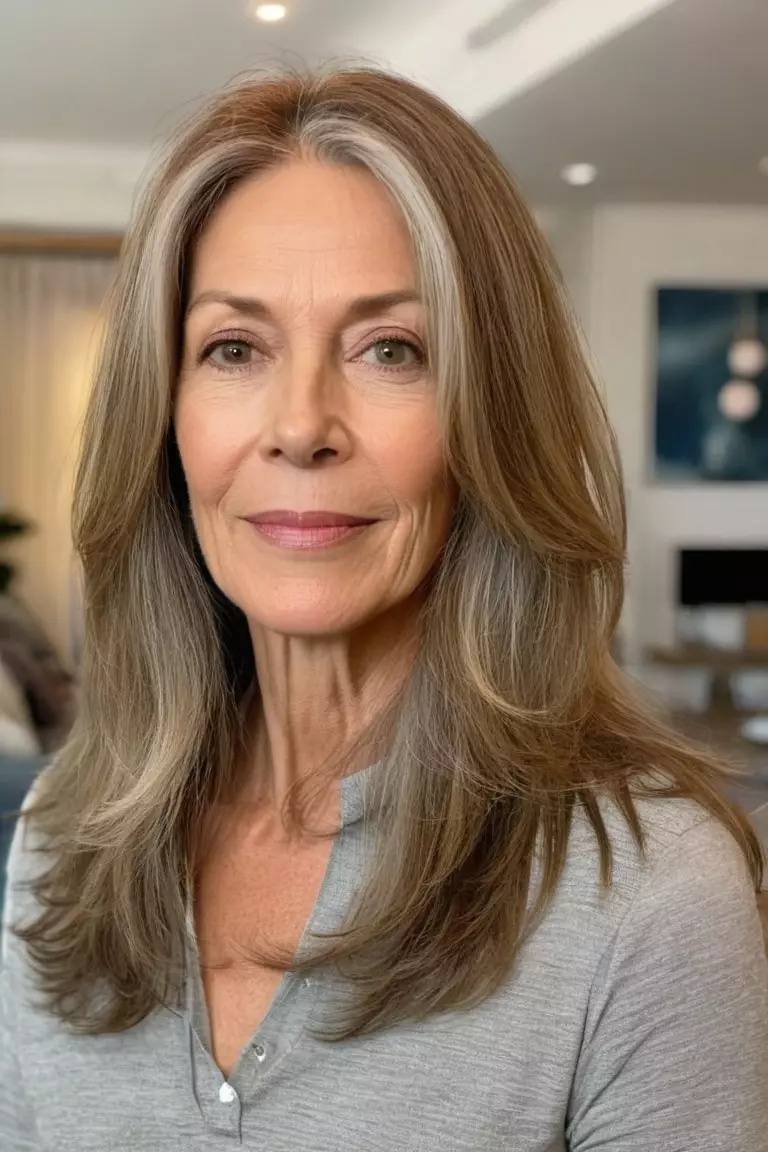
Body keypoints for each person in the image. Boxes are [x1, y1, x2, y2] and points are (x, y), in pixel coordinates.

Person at [1, 67, 766, 1152]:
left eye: (389, 350)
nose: (302, 424)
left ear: (489, 418)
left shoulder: (652, 895)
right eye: (234, 348)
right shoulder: (64, 837)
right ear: (164, 421)